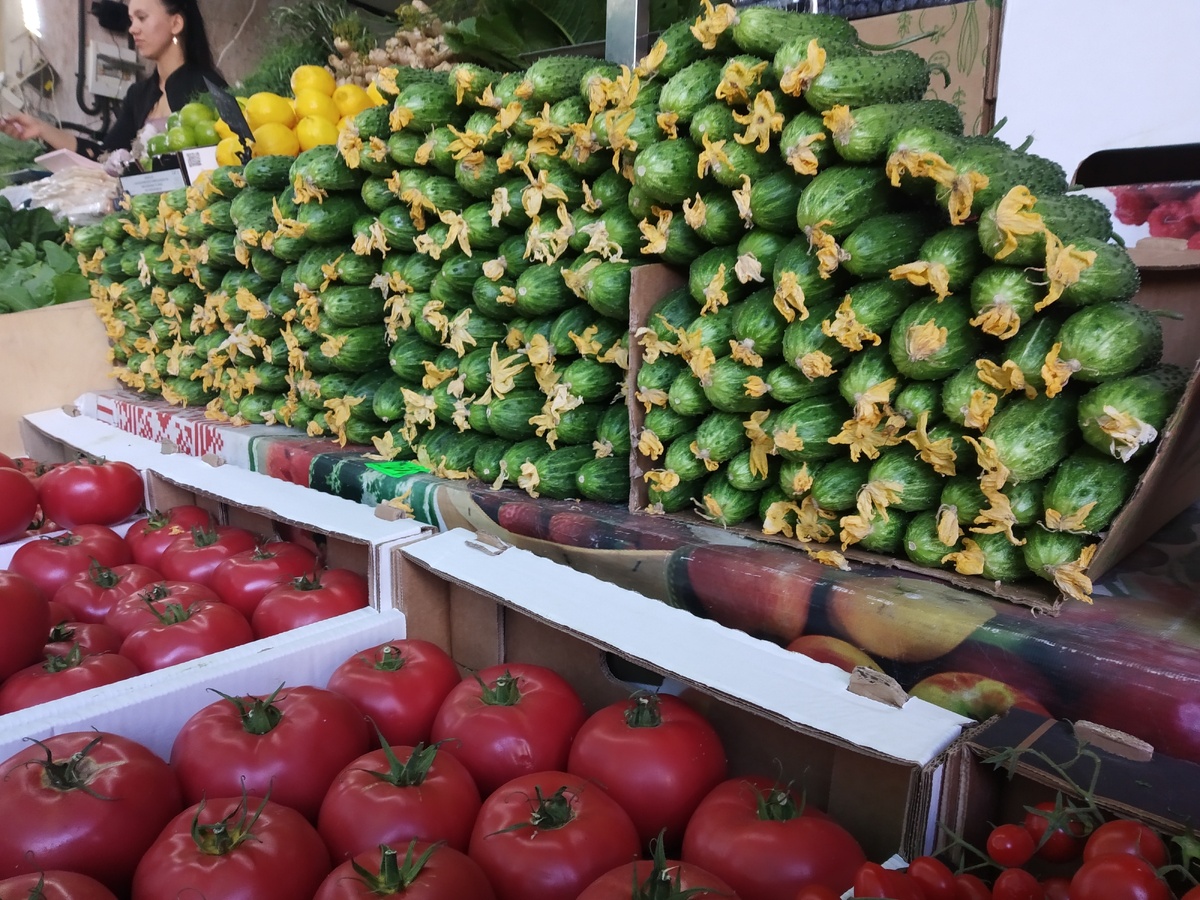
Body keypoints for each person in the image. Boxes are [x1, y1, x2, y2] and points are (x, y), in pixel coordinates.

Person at [0, 0, 225, 159]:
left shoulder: (207, 86)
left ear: (176, 23)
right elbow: (104, 156)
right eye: (131, 19)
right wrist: (41, 129)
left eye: (142, 18)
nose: (133, 28)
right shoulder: (139, 94)